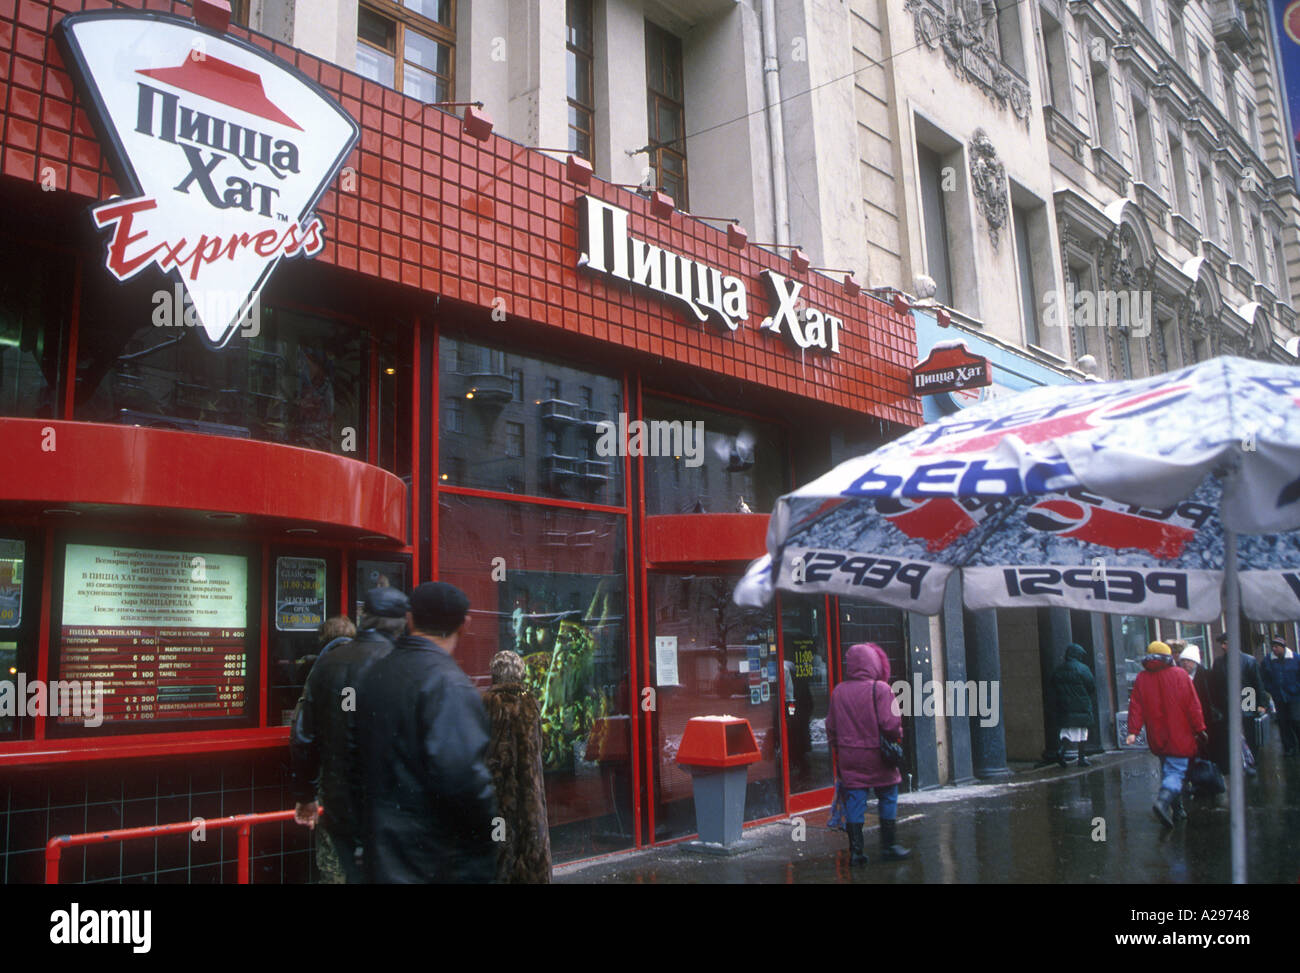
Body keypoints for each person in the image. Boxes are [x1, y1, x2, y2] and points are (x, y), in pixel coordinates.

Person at [358, 581, 497, 883]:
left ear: (409, 619)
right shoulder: (451, 686)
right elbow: (464, 782)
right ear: (465, 625)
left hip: (379, 858)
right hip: (431, 864)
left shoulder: (375, 673)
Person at [290, 589, 408, 884]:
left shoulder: (324, 667)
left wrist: (306, 795)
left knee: (335, 873)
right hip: (389, 808)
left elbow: (303, 736)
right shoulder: (404, 665)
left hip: (337, 802)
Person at [825, 642, 909, 866]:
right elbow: (890, 724)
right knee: (888, 794)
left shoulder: (838, 691)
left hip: (849, 756)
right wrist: (898, 735)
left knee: (855, 800)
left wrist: (838, 748)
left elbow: (831, 726)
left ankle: (856, 852)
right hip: (877, 756)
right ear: (874, 663)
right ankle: (889, 846)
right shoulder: (880, 689)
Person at [482, 650, 552, 883]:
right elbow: (540, 747)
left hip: (498, 798)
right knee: (532, 852)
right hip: (530, 796)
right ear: (520, 673)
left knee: (500, 853)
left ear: (494, 673)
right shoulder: (531, 703)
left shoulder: (487, 703)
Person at [1126, 640, 1207, 829]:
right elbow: (1193, 706)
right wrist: (1200, 729)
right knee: (1176, 772)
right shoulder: (1180, 675)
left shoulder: (1142, 678)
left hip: (1157, 736)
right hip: (1180, 735)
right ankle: (1162, 802)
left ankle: (1177, 810)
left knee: (1167, 770)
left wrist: (1133, 731)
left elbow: (1135, 707)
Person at [1208, 631, 1268, 776]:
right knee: (1229, 735)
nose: (1223, 647)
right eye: (1222, 644)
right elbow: (1214, 687)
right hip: (1226, 705)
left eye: (1226, 644)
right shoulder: (1218, 663)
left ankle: (1252, 763)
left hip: (1247, 701)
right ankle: (1234, 763)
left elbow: (1258, 684)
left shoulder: (1249, 661)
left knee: (1249, 735)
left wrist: (1262, 704)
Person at [1050, 642, 1096, 767]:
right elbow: (1091, 685)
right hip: (1081, 705)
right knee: (1082, 731)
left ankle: (1062, 751)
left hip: (1064, 705)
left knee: (1067, 731)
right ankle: (1081, 758)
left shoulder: (1059, 669)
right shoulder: (1083, 668)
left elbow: (1053, 685)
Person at [1261, 636, 1300, 756]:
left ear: (1283, 647)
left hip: (1295, 696)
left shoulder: (1296, 658)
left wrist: (1297, 687)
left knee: (1296, 720)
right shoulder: (1268, 660)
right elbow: (1263, 677)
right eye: (1272, 647)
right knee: (1283, 722)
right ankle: (1289, 748)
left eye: (1276, 647)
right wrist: (1271, 689)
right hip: (1279, 696)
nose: (1274, 649)